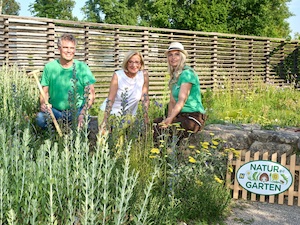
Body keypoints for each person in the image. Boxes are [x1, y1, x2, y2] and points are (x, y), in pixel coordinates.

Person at [36, 33, 96, 129]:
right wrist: (44, 104)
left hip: (77, 111)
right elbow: (45, 92)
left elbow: (91, 94)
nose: (69, 51)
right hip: (55, 111)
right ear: (59, 48)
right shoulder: (49, 67)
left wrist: (83, 113)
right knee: (40, 118)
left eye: (72, 48)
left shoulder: (82, 67)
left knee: (85, 124)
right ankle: (54, 135)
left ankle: (69, 131)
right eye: (65, 47)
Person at [153, 42, 207, 142]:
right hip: (180, 115)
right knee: (155, 124)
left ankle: (165, 156)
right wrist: (168, 119)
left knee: (162, 131)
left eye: (177, 54)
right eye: (170, 55)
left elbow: (182, 100)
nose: (173, 58)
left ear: (182, 57)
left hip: (193, 117)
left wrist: (170, 120)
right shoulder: (175, 76)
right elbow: (172, 102)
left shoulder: (187, 74)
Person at [100, 50, 149, 132]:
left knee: (120, 143)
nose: (134, 65)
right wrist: (105, 121)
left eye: (137, 62)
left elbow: (145, 98)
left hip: (127, 117)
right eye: (130, 62)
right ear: (126, 63)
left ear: (141, 64)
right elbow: (110, 99)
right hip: (109, 113)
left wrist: (146, 117)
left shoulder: (143, 75)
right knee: (103, 141)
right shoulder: (118, 75)